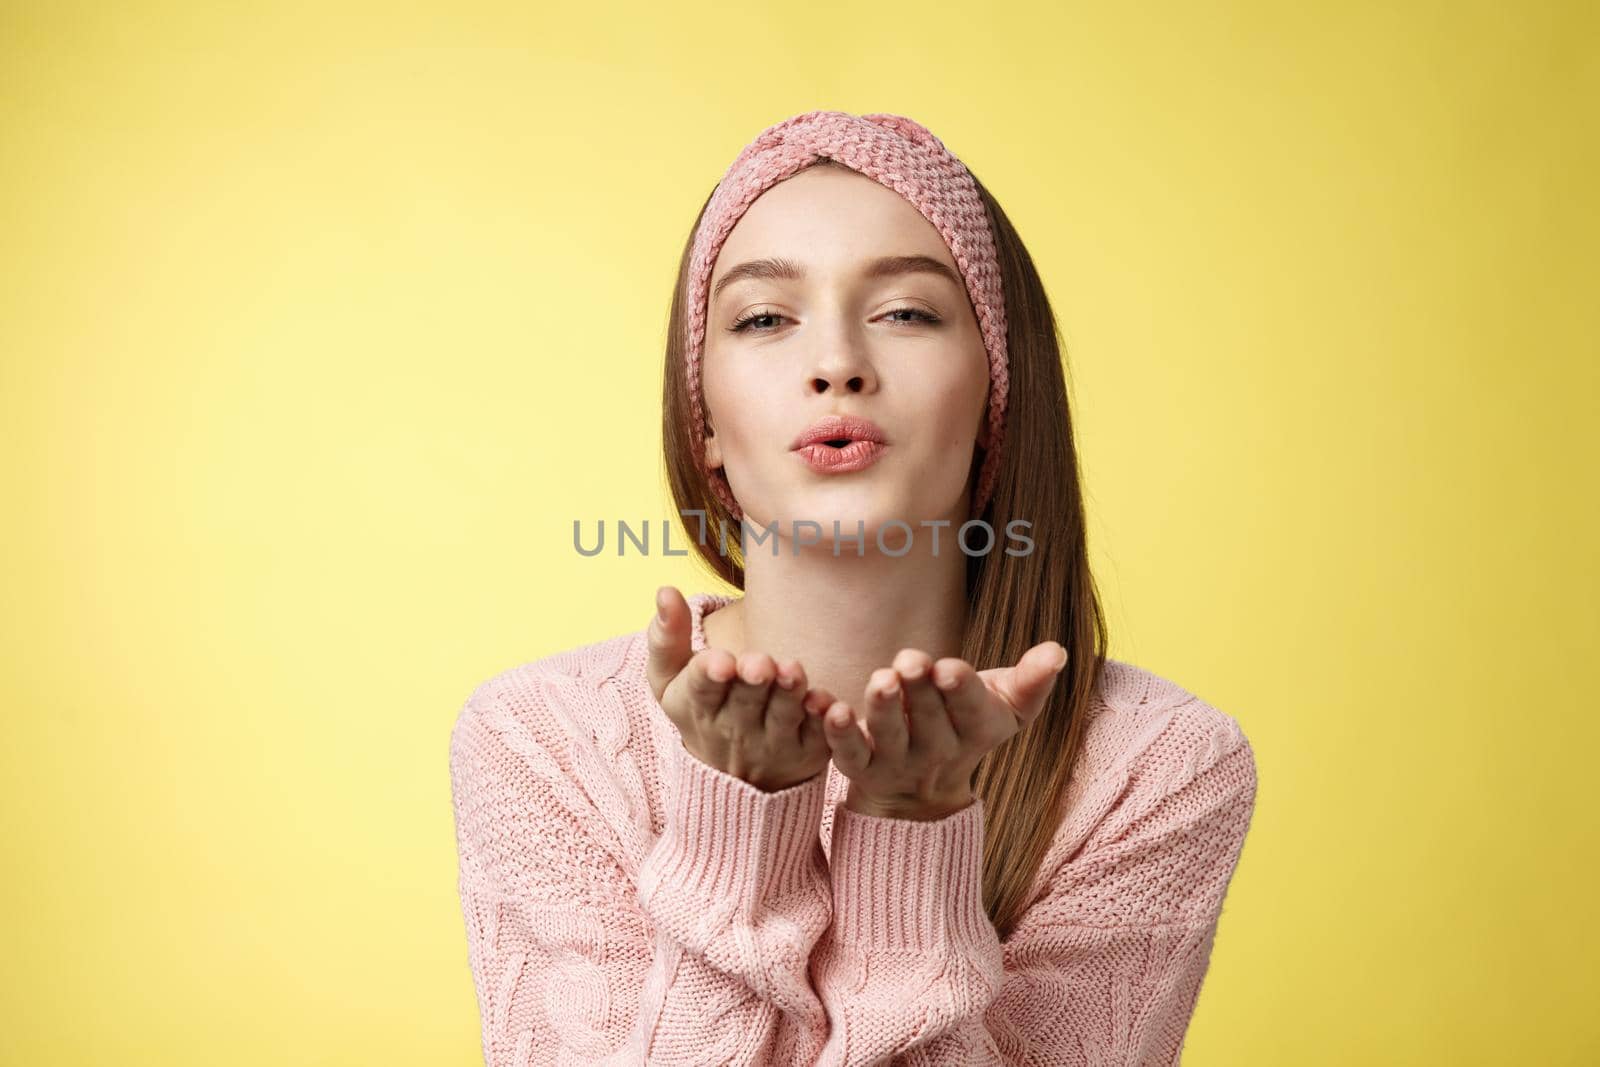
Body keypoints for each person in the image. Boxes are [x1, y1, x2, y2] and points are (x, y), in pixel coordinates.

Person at [449, 109, 1258, 1066]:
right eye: (763, 319)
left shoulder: (1153, 768)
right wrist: (733, 835)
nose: (836, 365)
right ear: (701, 418)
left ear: (998, 392)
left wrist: (913, 835)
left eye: (907, 313)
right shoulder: (541, 741)